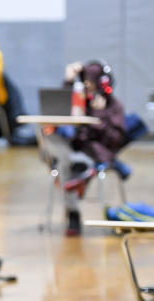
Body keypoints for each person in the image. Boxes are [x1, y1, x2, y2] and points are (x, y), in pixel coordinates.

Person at [43, 60, 127, 235]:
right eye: (85, 80)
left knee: (64, 167)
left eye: (90, 80)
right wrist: (68, 80)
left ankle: (73, 214)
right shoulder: (81, 99)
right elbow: (58, 108)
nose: (87, 85)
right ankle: (73, 162)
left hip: (95, 153)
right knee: (45, 131)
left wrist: (99, 115)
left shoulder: (114, 106)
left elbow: (114, 140)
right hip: (74, 149)